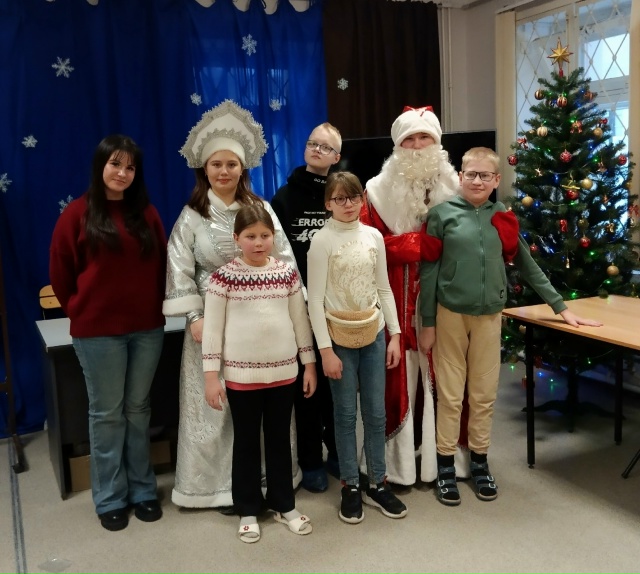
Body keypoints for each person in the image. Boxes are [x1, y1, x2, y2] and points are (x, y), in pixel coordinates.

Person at [418, 146, 603, 506]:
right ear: (460, 176)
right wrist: (427, 322)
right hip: (449, 315)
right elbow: (429, 271)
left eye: (485, 175)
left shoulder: (502, 217)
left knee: (483, 395)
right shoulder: (441, 215)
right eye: (471, 174)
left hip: (489, 317)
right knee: (451, 395)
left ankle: (480, 462)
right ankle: (445, 467)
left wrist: (561, 308)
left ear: (496, 179)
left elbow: (528, 266)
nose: (477, 181)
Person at [163, 100, 301, 509]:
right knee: (216, 404)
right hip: (209, 322)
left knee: (263, 403)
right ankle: (217, 488)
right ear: (204, 169)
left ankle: (271, 481)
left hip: (258, 323)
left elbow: (285, 260)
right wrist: (194, 316)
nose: (223, 171)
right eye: (216, 164)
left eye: (231, 164)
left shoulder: (260, 210)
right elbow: (179, 269)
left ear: (243, 168)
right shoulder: (191, 216)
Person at [49, 134, 167, 531]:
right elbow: (61, 274)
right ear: (101, 165)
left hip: (146, 329)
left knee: (138, 410)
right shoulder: (77, 215)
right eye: (115, 164)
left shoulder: (146, 213)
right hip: (98, 334)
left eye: (130, 167)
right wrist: (82, 311)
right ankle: (110, 497)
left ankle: (143, 489)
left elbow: (161, 266)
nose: (122, 173)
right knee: (107, 414)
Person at [360, 105, 464, 486]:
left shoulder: (458, 187)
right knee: (396, 378)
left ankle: (445, 461)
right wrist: (417, 245)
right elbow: (365, 245)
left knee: (448, 377)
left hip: (447, 301)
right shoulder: (375, 190)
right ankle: (398, 465)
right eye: (410, 139)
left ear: (437, 143)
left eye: (425, 138)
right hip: (395, 299)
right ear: (397, 146)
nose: (418, 146)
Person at [202, 204, 316, 543]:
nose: (258, 242)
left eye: (265, 235)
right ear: (236, 238)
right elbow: (212, 331)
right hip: (241, 379)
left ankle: (284, 504)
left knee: (279, 440)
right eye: (250, 236)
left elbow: (300, 322)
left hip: (284, 374)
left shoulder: (287, 274)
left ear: (273, 237)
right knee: (247, 443)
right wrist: (211, 376)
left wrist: (309, 364)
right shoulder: (222, 279)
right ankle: (248, 509)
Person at [307, 171, 408, 524]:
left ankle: (378, 482)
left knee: (376, 413)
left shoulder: (373, 236)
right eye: (339, 198)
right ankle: (350, 484)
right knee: (345, 415)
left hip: (374, 333)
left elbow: (383, 288)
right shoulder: (322, 241)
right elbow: (315, 300)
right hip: (339, 339)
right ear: (328, 204)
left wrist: (395, 334)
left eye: (353, 197)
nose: (347, 204)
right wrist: (325, 351)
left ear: (361, 200)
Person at [271, 122, 341, 492]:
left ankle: (339, 453)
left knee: (337, 384)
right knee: (307, 385)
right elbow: (275, 254)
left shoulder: (342, 195)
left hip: (338, 306)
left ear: (336, 157)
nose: (316, 149)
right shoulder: (283, 198)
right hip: (299, 306)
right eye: (312, 143)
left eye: (325, 146)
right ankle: (311, 459)